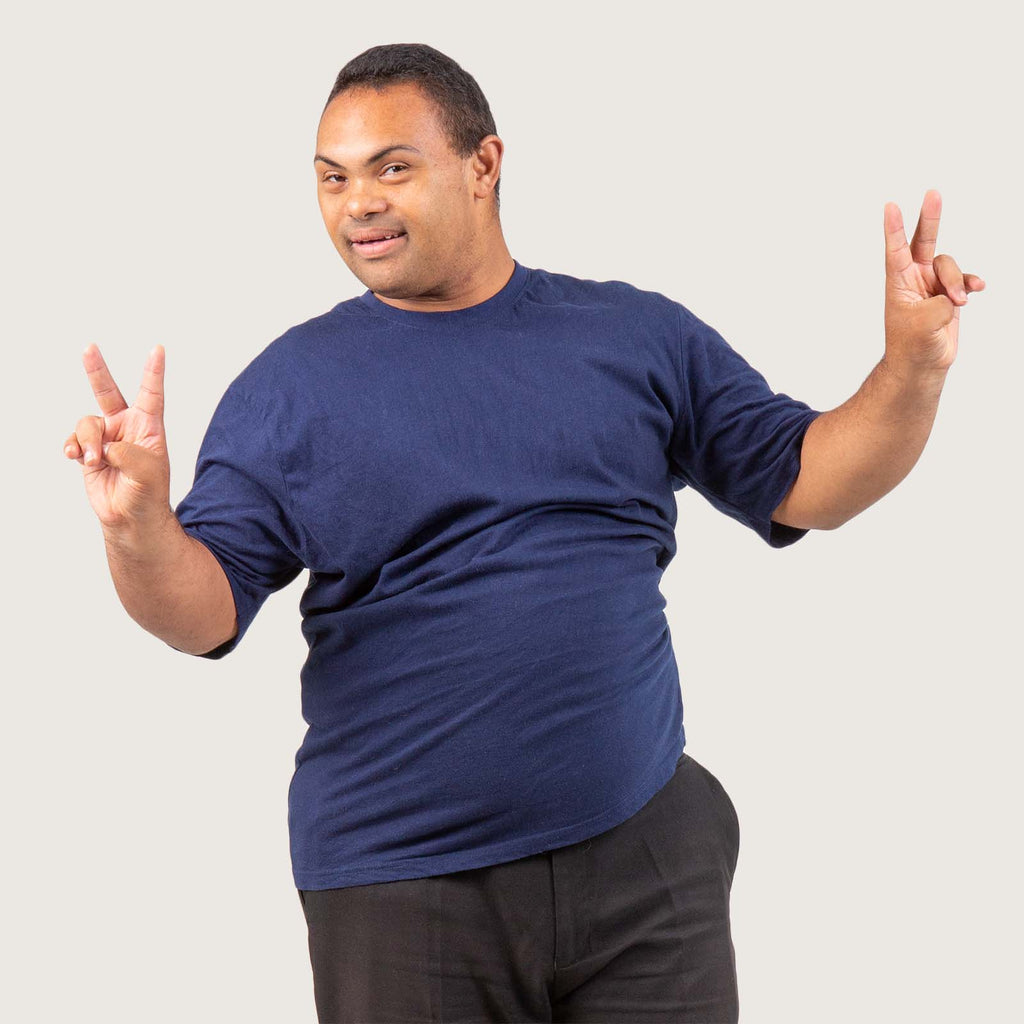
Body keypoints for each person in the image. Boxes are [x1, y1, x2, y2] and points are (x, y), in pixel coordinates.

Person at [64, 42, 984, 1024]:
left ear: (483, 164)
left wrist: (912, 364)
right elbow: (201, 611)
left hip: (644, 853)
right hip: (405, 886)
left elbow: (811, 482)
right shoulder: (291, 390)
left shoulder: (634, 338)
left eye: (391, 167)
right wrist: (136, 527)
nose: (357, 204)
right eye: (331, 179)